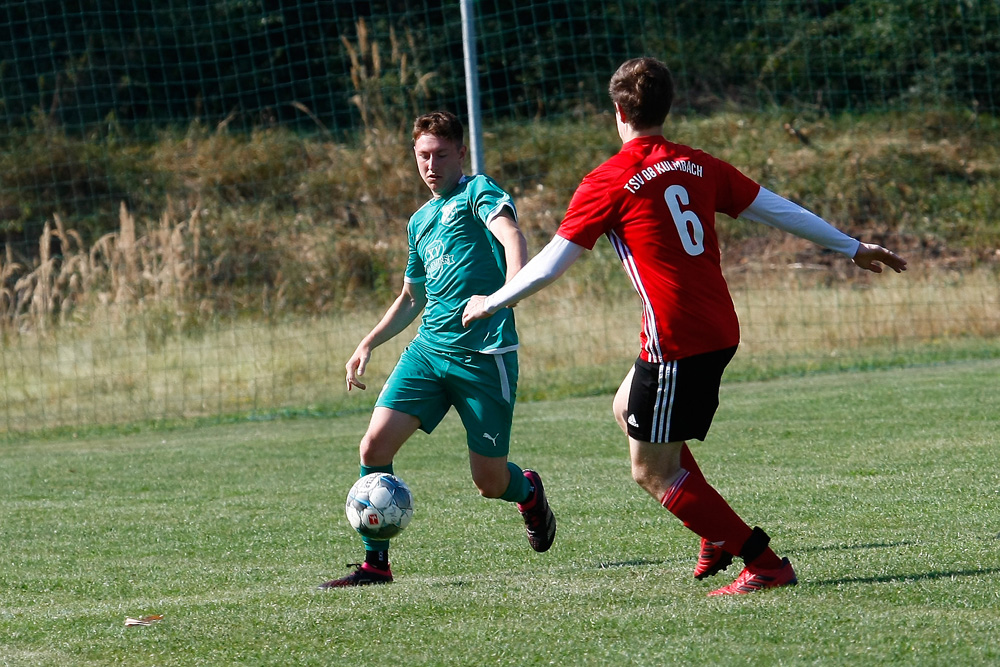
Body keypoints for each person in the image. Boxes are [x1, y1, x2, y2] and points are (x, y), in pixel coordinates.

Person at [462, 57, 907, 596]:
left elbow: (554, 263)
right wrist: (851, 246)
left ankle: (763, 562)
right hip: (718, 326)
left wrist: (494, 301)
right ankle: (714, 537)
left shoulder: (609, 179)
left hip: (677, 338)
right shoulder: (699, 165)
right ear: (666, 107)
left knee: (651, 470)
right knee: (627, 407)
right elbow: (777, 209)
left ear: (619, 111)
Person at [320, 111, 556, 588]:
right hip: (428, 351)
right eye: (423, 156)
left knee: (489, 483)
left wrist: (503, 295)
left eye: (441, 155)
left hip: (484, 356)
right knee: (373, 445)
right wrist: (368, 342)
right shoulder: (420, 221)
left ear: (460, 153)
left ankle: (528, 492)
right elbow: (412, 297)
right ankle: (375, 565)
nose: (431, 165)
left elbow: (513, 236)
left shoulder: (478, 193)